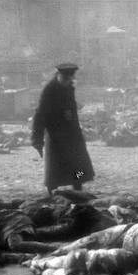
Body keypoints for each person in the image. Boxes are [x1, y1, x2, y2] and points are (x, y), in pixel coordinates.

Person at [30, 62, 95, 193]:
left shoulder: (69, 86)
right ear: (58, 75)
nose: (68, 81)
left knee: (79, 165)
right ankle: (52, 189)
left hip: (72, 132)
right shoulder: (49, 90)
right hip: (55, 134)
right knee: (55, 166)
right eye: (65, 79)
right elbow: (40, 114)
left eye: (70, 78)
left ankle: (78, 185)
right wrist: (36, 138)